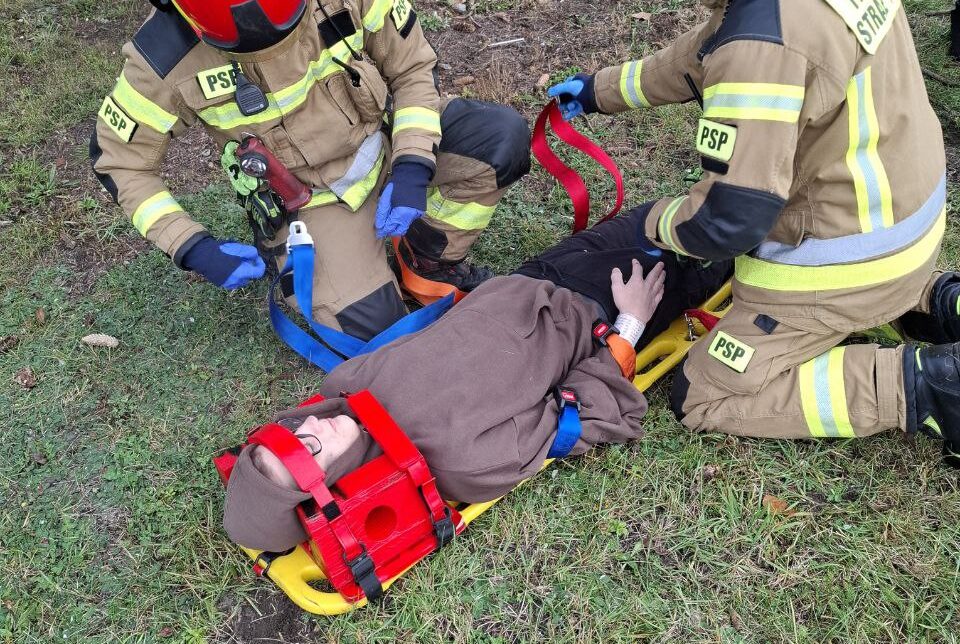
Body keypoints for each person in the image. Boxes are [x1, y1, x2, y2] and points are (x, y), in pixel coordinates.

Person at [547, 0, 960, 460]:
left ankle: (929, 388)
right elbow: (710, 49)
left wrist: (654, 225)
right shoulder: (770, 16)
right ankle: (935, 303)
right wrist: (599, 91)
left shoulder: (760, 43)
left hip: (841, 264)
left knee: (704, 393)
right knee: (882, 285)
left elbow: (728, 221)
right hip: (902, 221)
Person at [222, 204, 733, 552]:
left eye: (293, 433)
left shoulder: (345, 389)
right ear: (332, 488)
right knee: (727, 236)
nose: (315, 430)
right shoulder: (463, 463)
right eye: (309, 454)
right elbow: (587, 412)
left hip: (536, 275)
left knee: (681, 211)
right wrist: (631, 323)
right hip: (598, 308)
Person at [90, 0, 530, 340]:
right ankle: (334, 261)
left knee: (497, 141)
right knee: (375, 330)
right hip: (309, 203)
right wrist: (191, 246)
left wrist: (413, 164)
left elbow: (412, 68)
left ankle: (429, 258)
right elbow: (121, 161)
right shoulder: (162, 59)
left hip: (387, 146)